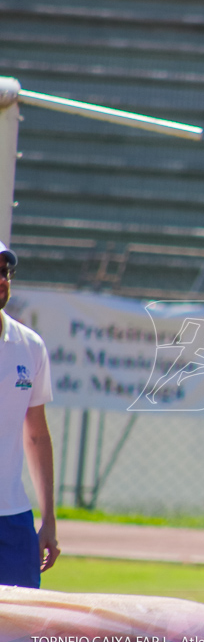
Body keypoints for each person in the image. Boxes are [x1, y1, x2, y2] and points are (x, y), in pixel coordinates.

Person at [0, 240, 60, 586]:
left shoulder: (29, 345)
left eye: (5, 272)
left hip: (13, 518)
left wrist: (48, 518)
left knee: (22, 633)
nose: (1, 279)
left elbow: (36, 434)